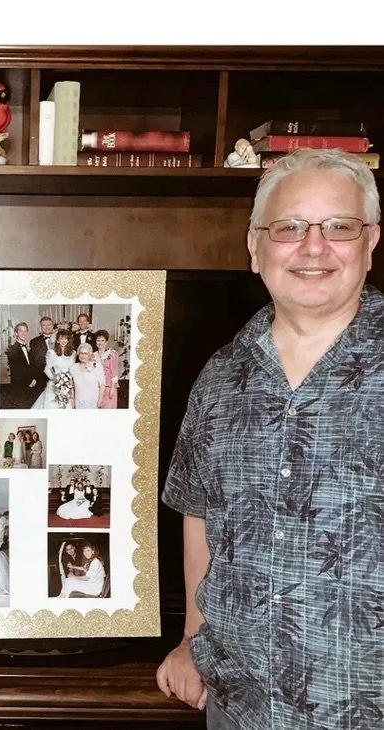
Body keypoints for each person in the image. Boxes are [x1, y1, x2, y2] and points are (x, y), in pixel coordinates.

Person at [156, 148, 383, 730]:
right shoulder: (219, 376)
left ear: (371, 241)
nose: (313, 247)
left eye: (339, 226)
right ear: (256, 246)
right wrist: (191, 638)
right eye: (289, 227)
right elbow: (198, 513)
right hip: (240, 706)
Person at [31, 328, 76, 409]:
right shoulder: (52, 353)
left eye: (66, 339)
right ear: (57, 340)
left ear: (69, 340)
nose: (63, 341)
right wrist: (56, 380)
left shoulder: (73, 354)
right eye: (61, 338)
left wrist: (69, 382)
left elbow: (73, 369)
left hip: (68, 384)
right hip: (55, 383)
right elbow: (46, 369)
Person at [5, 322, 39, 408]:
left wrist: (34, 378)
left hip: (29, 386)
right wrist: (30, 381)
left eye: (25, 331)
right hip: (19, 386)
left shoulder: (27, 347)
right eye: (21, 331)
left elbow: (30, 366)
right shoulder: (12, 349)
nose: (23, 333)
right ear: (16, 333)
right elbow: (17, 371)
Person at [70, 343, 105, 409]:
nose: (83, 356)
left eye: (85, 353)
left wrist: (100, 399)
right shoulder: (73, 368)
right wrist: (72, 403)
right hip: (79, 403)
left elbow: (102, 384)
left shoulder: (97, 366)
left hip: (93, 403)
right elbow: (71, 387)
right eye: (81, 353)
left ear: (90, 355)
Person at [92, 329, 119, 409]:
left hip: (109, 386)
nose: (100, 343)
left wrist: (112, 389)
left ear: (106, 342)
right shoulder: (93, 356)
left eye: (102, 340)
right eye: (98, 340)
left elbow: (114, 372)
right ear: (96, 342)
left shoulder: (112, 354)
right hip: (97, 387)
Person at [29, 315, 55, 389]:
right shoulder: (34, 342)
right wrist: (34, 377)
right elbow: (33, 362)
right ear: (41, 327)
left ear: (53, 326)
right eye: (44, 325)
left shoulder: (59, 340)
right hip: (41, 377)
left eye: (49, 325)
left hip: (57, 375)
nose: (47, 327)